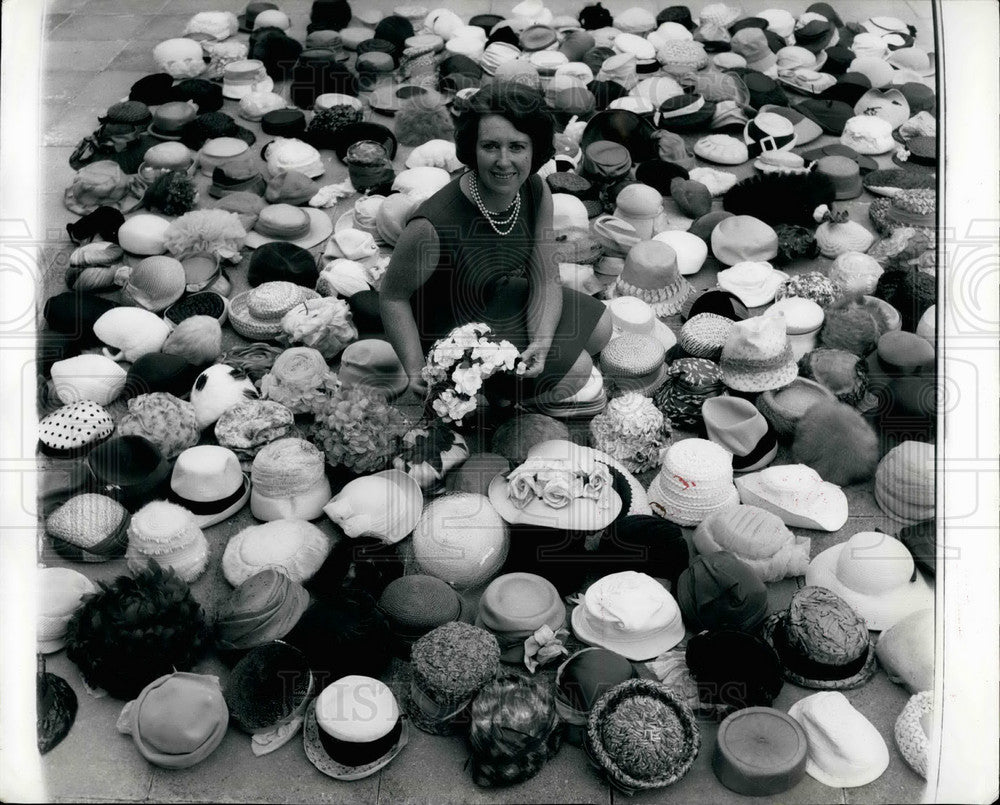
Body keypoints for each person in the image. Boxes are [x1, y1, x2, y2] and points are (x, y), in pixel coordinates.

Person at [379, 82, 613, 406]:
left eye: (517, 147)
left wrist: (542, 341)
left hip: (500, 294)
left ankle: (519, 386)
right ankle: (502, 401)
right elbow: (392, 296)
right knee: (580, 369)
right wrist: (415, 367)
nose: (504, 161)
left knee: (601, 326)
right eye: (490, 146)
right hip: (453, 328)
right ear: (472, 149)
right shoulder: (432, 226)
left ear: (535, 149)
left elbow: (545, 276)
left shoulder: (535, 190)